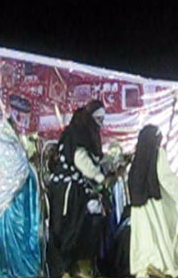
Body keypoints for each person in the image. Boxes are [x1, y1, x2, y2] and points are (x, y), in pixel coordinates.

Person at [47, 100, 109, 278]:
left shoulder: (79, 133)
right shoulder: (77, 134)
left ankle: (72, 268)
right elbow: (81, 159)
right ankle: (65, 270)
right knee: (69, 232)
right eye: (98, 118)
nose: (100, 123)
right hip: (69, 193)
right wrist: (99, 177)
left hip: (72, 191)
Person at [128, 125, 178, 278]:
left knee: (146, 250)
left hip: (139, 212)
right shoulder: (157, 154)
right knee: (161, 250)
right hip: (155, 210)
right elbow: (167, 179)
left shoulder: (136, 159)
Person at [0, 117, 41, 278]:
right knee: (18, 246)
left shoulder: (2, 149)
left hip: (5, 209)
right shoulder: (8, 149)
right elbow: (22, 170)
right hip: (14, 209)